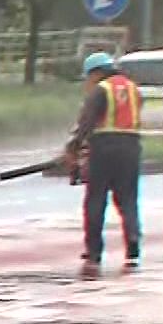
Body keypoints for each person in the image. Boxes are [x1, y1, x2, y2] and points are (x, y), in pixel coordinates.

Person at [63, 52, 144, 274]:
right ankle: (133, 248)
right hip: (132, 147)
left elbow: (87, 121)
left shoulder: (101, 90)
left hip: (104, 148)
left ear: (96, 72)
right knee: (128, 199)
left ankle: (94, 253)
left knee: (96, 200)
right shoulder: (133, 89)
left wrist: (74, 147)